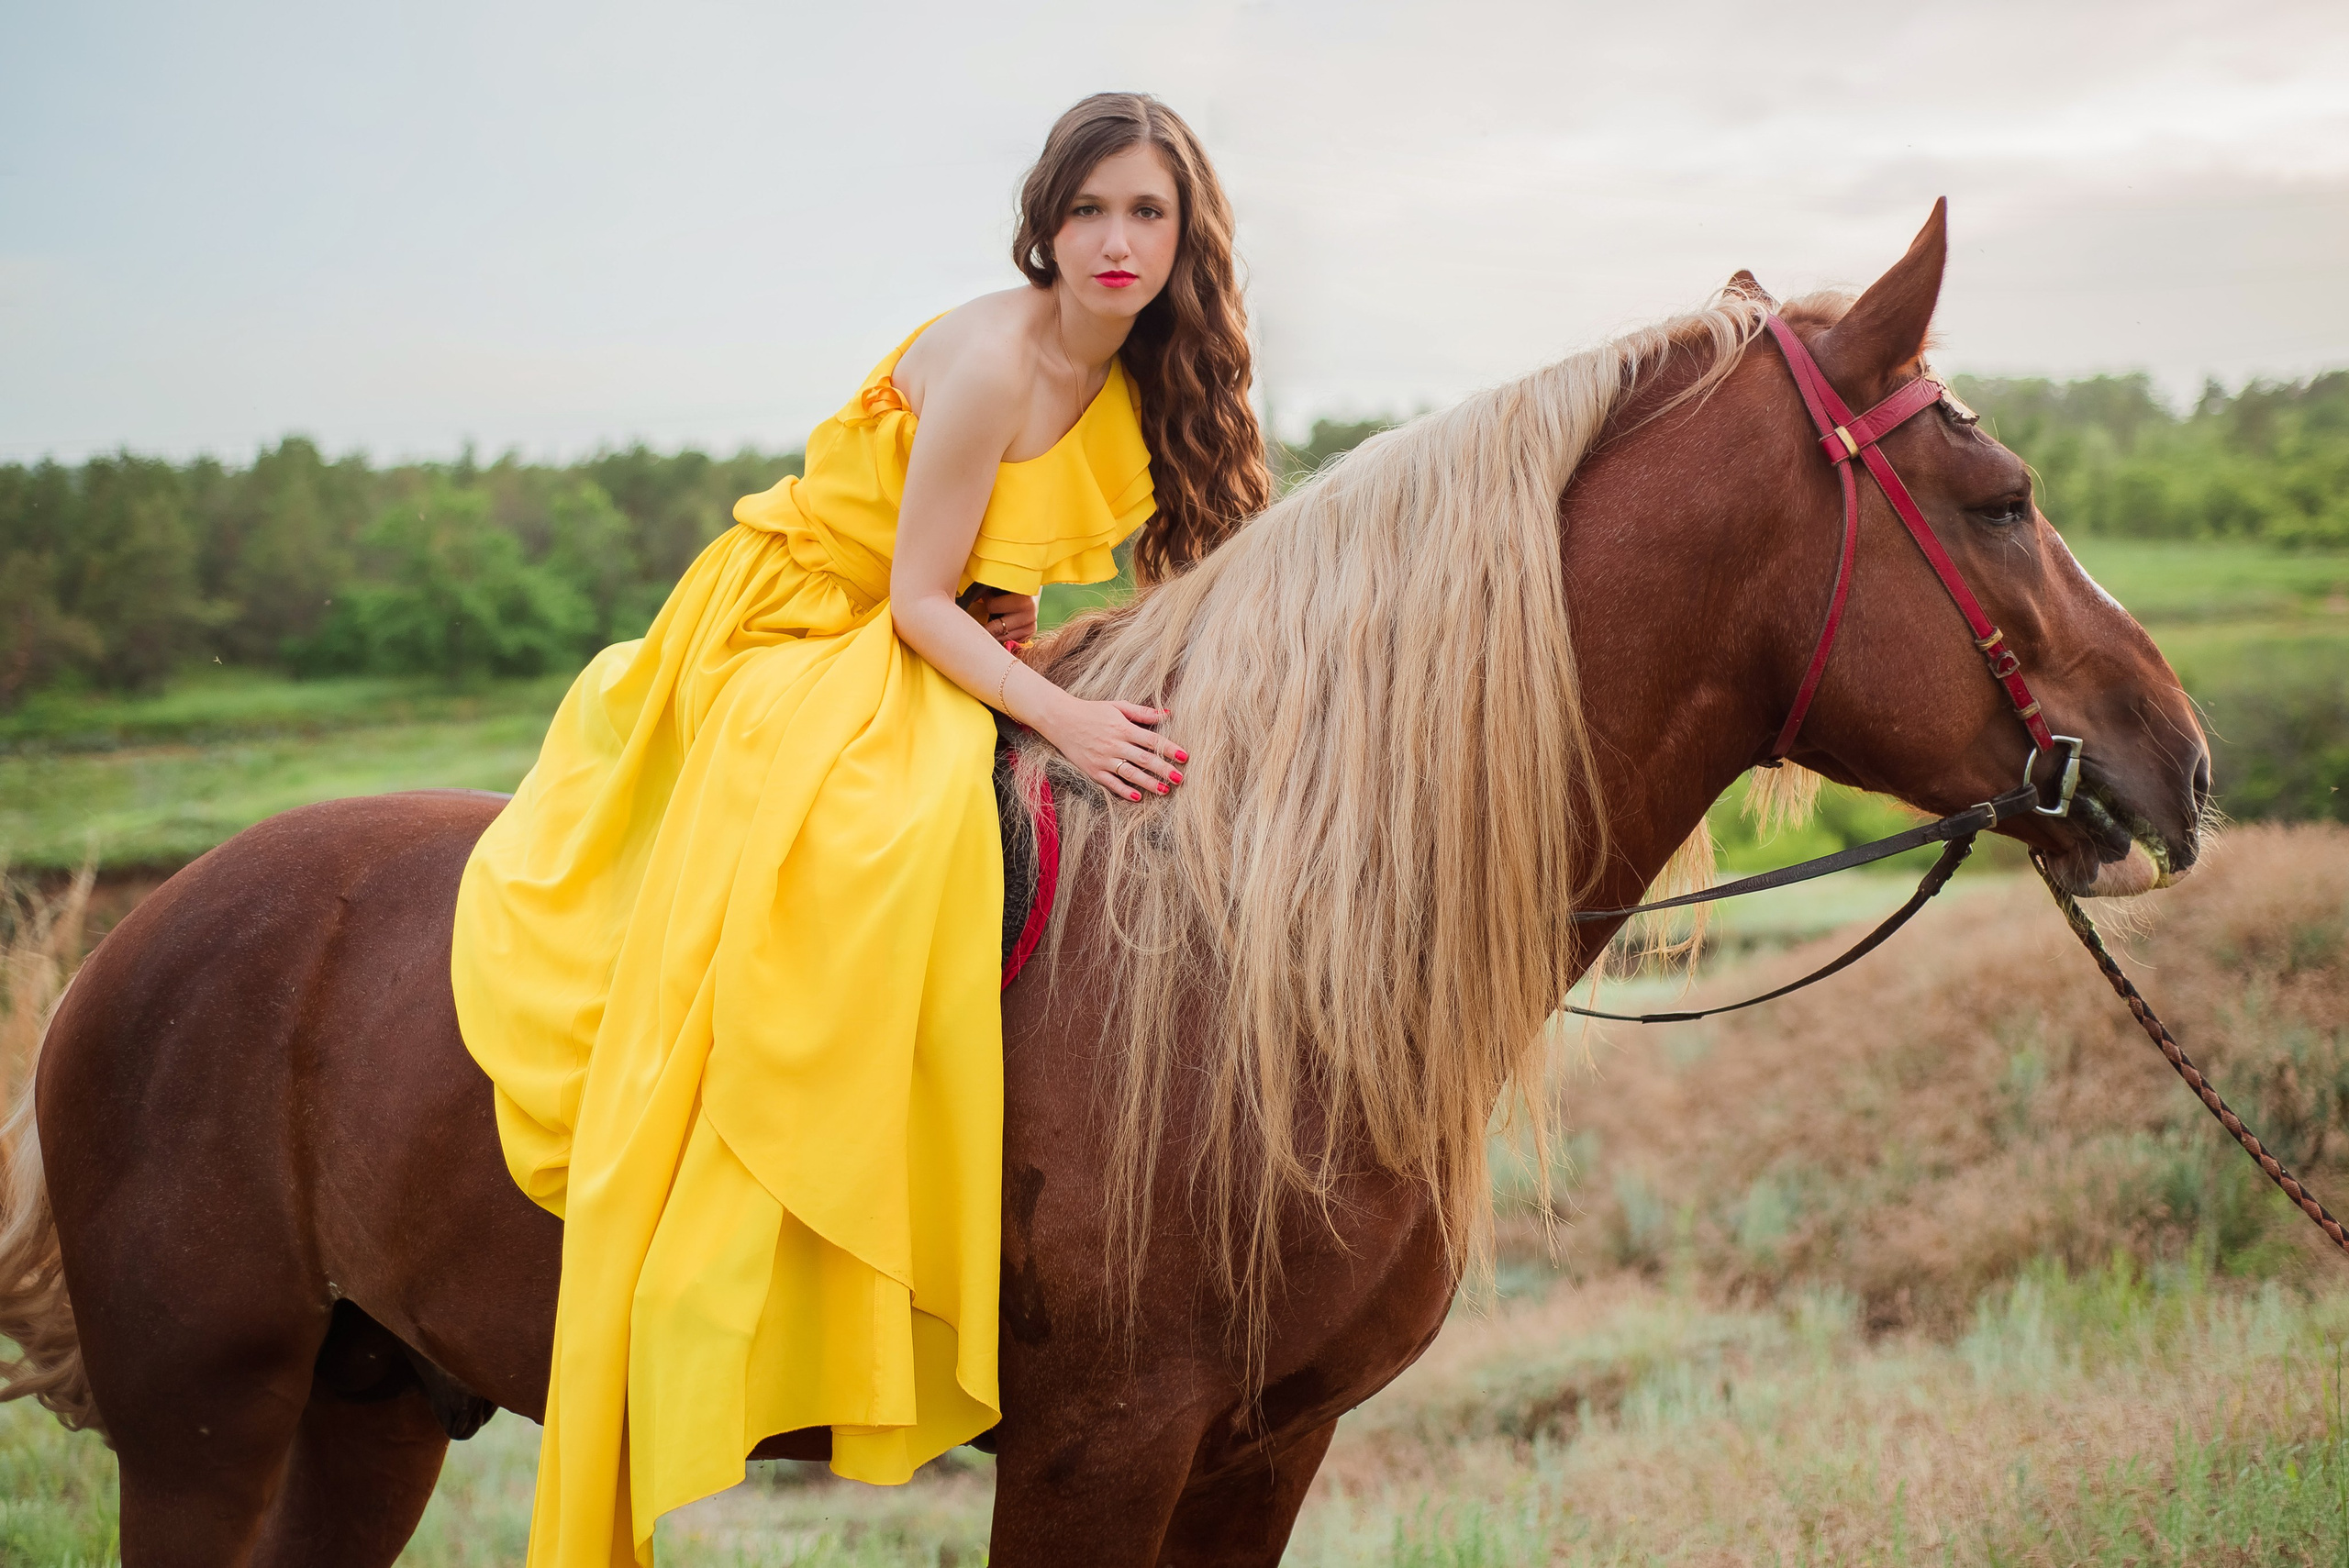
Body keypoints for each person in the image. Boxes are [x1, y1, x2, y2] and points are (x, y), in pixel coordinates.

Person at [447, 92, 1273, 1565]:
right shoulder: (994, 365)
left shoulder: (1165, 367)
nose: (1115, 240)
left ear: (1185, 230)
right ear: (1047, 218)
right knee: (896, 840)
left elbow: (1156, 568)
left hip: (952, 623)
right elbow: (912, 600)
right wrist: (1069, 717)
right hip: (808, 628)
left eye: (1147, 211)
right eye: (1090, 208)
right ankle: (789, 1191)